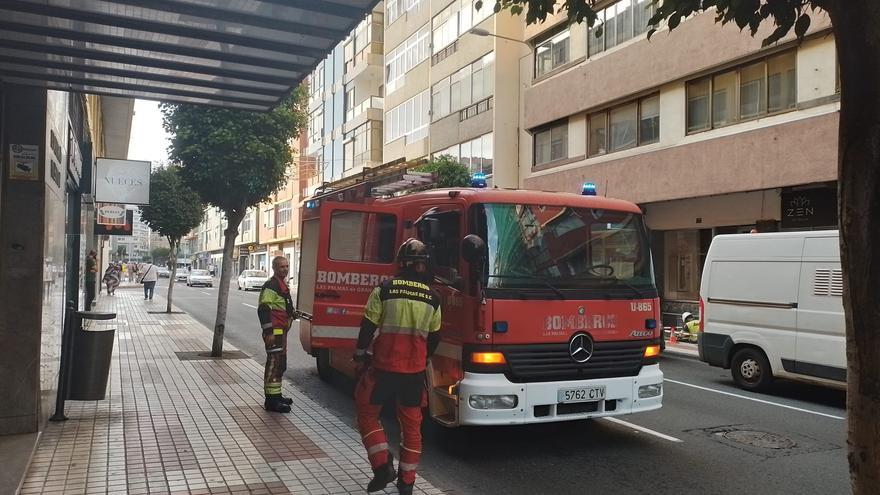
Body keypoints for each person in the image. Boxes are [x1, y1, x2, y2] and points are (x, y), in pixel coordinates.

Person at [353, 239, 442, 495]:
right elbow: (435, 337)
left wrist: (359, 355)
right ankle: (407, 482)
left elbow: (368, 327)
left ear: (401, 262)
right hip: (413, 373)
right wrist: (424, 358)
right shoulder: (433, 298)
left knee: (367, 414)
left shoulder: (384, 290)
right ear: (424, 264)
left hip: (383, 369)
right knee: (412, 427)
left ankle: (382, 467)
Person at [257, 256, 297, 413]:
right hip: (275, 332)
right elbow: (263, 309)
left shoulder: (281, 285)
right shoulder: (272, 286)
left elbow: (281, 307)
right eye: (282, 267)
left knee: (280, 364)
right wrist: (269, 332)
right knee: (274, 365)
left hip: (281, 332)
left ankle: (277, 395)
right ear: (274, 268)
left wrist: (292, 313)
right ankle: (271, 401)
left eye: (287, 266)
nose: (285, 269)